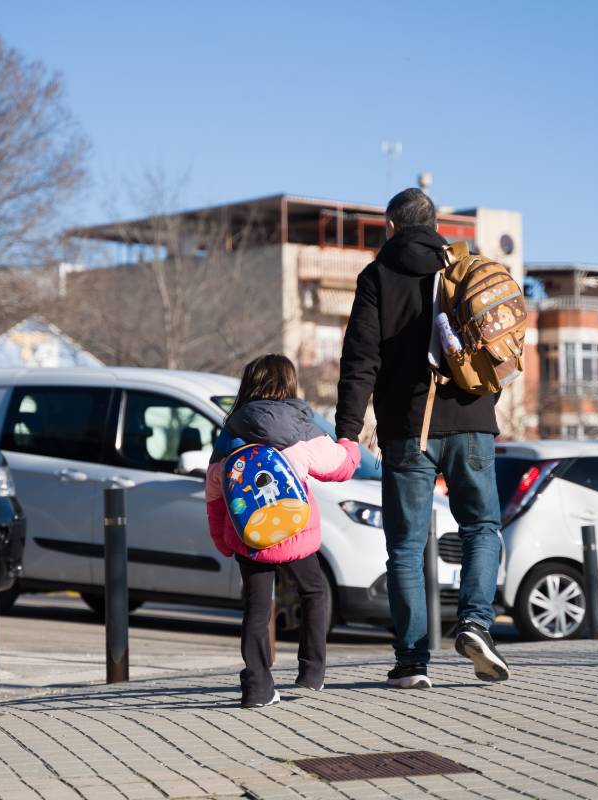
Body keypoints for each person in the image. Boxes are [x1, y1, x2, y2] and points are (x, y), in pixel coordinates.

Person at [336, 188, 510, 688]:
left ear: (391, 227)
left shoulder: (377, 277)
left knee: (407, 547)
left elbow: (360, 360)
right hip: (472, 420)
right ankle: (476, 623)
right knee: (481, 527)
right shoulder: (465, 266)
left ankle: (412, 662)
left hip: (408, 428)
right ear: (434, 225)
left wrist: (348, 431)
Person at [205, 354, 360, 707]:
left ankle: (258, 687)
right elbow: (341, 467)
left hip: (250, 535)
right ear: (288, 384)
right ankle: (311, 673)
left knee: (257, 607)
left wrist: (222, 539)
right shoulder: (300, 427)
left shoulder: (232, 432)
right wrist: (350, 444)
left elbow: (214, 490)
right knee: (314, 591)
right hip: (295, 530)